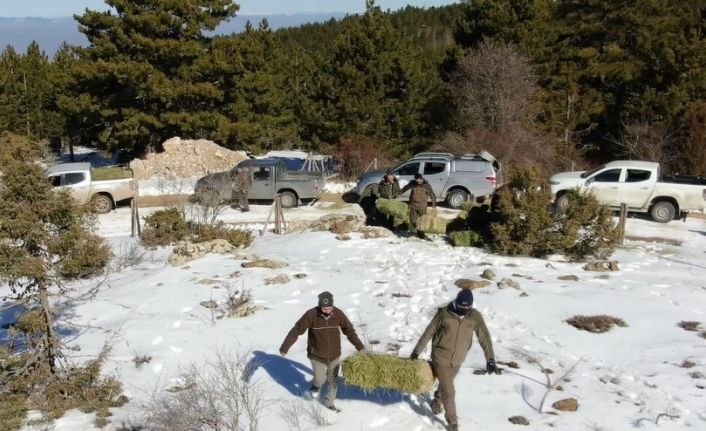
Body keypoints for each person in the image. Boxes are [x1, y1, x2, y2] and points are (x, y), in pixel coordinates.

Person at [410, 289, 500, 431]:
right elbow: (429, 332)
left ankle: (437, 401)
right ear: (457, 303)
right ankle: (452, 422)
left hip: (458, 359)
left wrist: (490, 359)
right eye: (462, 306)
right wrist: (416, 352)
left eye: (467, 307)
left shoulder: (474, 316)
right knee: (450, 392)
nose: (464, 310)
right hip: (441, 357)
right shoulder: (444, 313)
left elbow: (484, 337)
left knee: (446, 385)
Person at [279, 291, 365, 412]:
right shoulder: (311, 314)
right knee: (320, 379)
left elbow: (349, 330)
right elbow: (297, 330)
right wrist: (284, 347)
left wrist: (360, 346)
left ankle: (329, 403)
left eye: (330, 308)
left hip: (334, 354)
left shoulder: (338, 314)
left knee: (333, 380)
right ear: (320, 306)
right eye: (324, 308)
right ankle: (315, 387)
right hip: (316, 355)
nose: (327, 311)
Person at [399, 173, 436, 237]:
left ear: (421, 179)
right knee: (413, 221)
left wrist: (434, 206)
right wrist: (399, 193)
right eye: (416, 180)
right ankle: (418, 229)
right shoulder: (413, 184)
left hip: (422, 206)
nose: (417, 181)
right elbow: (405, 188)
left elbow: (432, 195)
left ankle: (421, 234)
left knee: (422, 221)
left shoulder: (426, 185)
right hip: (413, 206)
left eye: (419, 180)